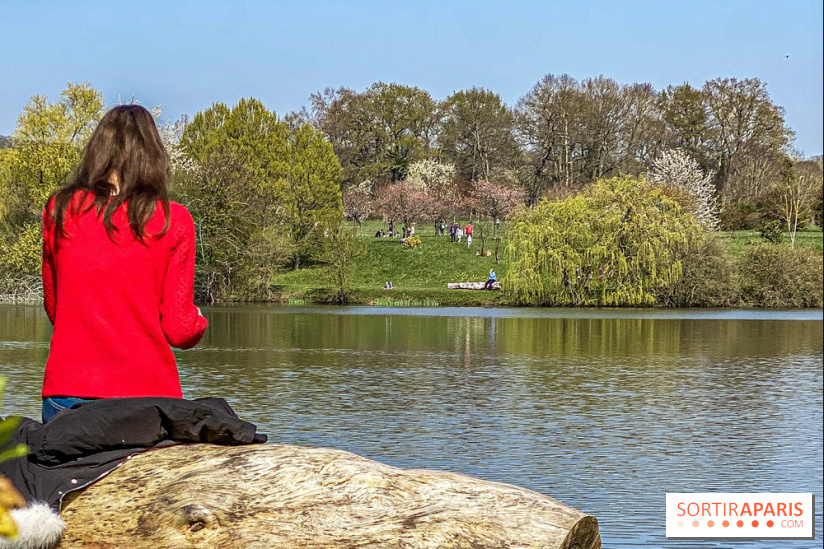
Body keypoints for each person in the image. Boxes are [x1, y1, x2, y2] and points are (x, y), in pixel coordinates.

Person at [40, 105, 208, 424]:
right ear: (153, 157)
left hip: (67, 394)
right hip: (148, 398)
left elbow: (55, 308)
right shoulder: (173, 220)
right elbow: (180, 330)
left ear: (96, 153)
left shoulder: (59, 209)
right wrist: (199, 319)